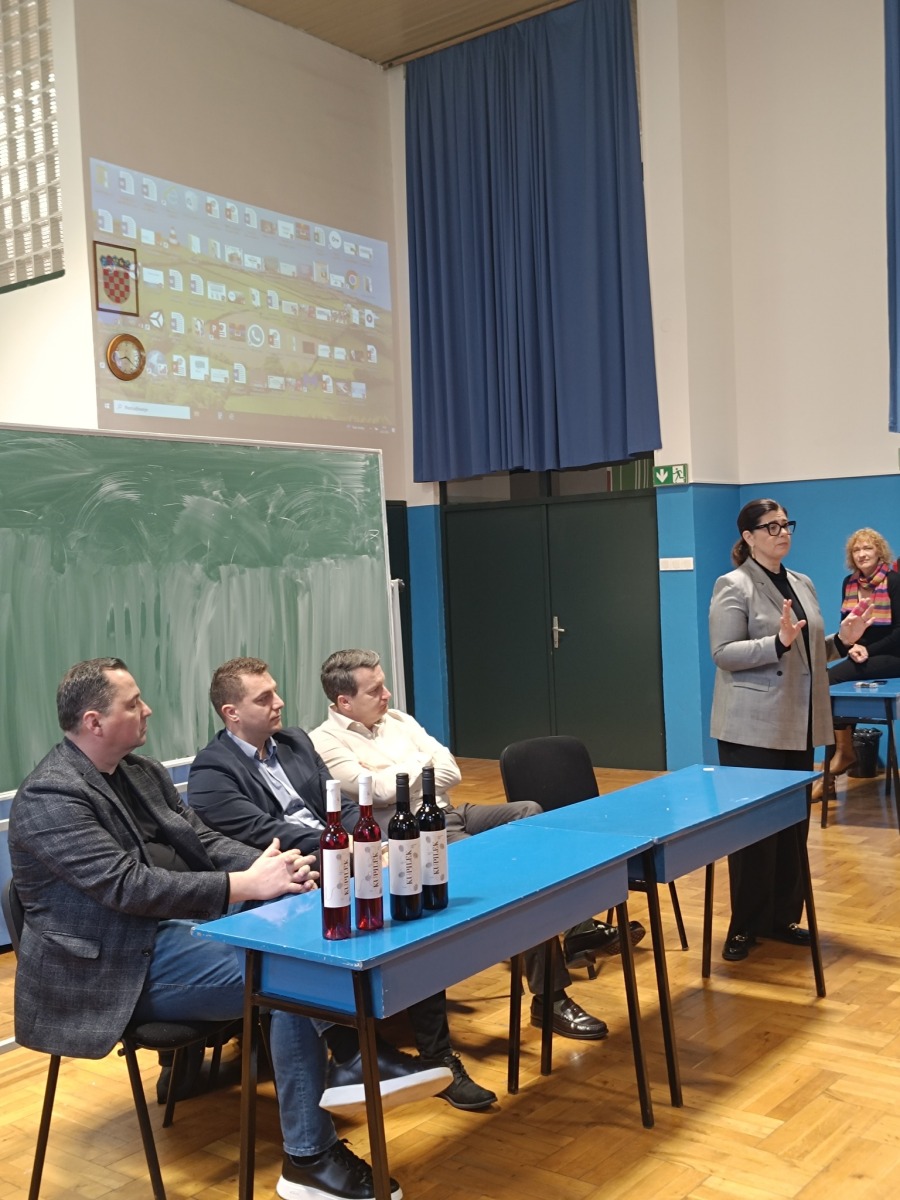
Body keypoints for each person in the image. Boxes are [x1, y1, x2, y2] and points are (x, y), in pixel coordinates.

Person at [8, 657, 448, 1200]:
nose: (148, 710)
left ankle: (350, 1064)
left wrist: (274, 869)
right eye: (133, 704)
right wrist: (244, 885)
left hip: (176, 932)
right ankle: (310, 1155)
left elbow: (202, 840)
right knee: (286, 979)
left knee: (303, 930)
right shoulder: (51, 797)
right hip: (110, 968)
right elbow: (128, 887)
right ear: (94, 722)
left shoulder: (140, 773)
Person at [188, 657, 496, 1112]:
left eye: (275, 691)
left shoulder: (294, 743)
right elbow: (263, 833)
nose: (279, 702)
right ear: (231, 712)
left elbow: (343, 806)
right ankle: (360, 1056)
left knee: (412, 901)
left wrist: (373, 840)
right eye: (264, 698)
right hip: (294, 876)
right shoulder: (211, 773)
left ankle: (435, 1055)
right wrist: (343, 847)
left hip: (347, 857)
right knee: (389, 902)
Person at [309, 648, 640, 1041]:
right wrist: (421, 766)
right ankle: (550, 996)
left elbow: (450, 768)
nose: (387, 695)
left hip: (451, 811)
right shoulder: (324, 743)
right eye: (375, 690)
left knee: (530, 813)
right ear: (344, 702)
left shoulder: (397, 720)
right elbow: (379, 792)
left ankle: (575, 927)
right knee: (513, 879)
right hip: (415, 833)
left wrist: (399, 773)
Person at [709, 501, 873, 963]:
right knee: (752, 832)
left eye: (786, 524)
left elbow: (806, 652)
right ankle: (744, 927)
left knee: (791, 827)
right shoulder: (733, 584)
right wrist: (775, 642)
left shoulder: (802, 582)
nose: (783, 532)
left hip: (797, 723)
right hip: (750, 728)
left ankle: (781, 919)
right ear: (748, 537)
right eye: (771, 526)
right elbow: (724, 653)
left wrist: (842, 640)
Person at [811, 528, 900, 799]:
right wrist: (852, 648)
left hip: (893, 655)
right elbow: (848, 627)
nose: (862, 554)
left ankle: (844, 752)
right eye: (856, 550)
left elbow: (899, 632)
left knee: (829, 680)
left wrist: (866, 650)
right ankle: (841, 755)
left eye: (867, 548)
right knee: (825, 682)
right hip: (862, 653)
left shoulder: (894, 581)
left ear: (879, 552)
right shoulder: (849, 583)